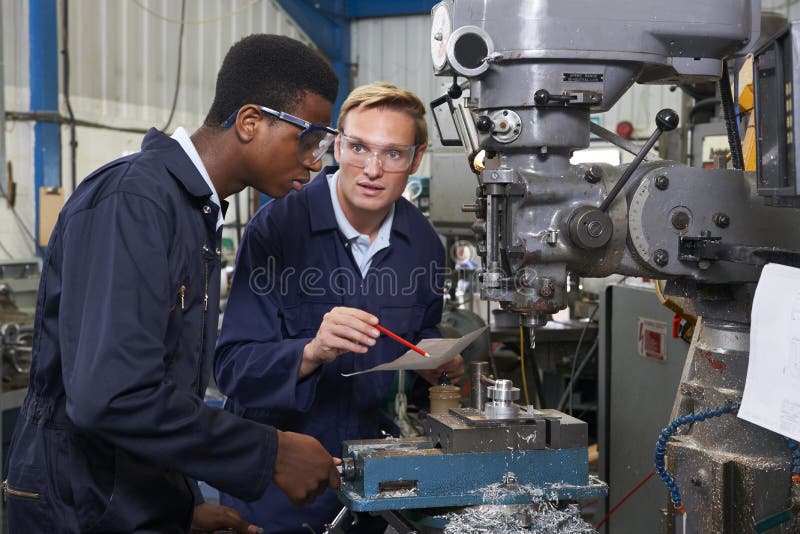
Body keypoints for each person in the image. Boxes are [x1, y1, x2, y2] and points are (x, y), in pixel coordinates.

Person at [4, 34, 343, 533]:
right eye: (308, 140)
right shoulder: (134, 202)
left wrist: (175, 509)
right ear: (250, 122)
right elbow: (112, 397)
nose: (315, 163)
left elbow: (160, 388)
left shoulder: (192, 212)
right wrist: (270, 452)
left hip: (124, 503)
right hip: (79, 511)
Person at [215, 82, 465, 533]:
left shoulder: (424, 246)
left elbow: (420, 344)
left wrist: (438, 367)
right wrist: (311, 351)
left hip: (371, 484)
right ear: (336, 144)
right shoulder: (277, 228)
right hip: (277, 488)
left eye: (392, 154)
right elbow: (233, 369)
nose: (372, 169)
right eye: (358, 148)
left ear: (416, 159)